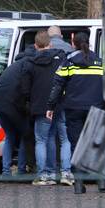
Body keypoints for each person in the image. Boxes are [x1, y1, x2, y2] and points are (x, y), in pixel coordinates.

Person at [47, 31, 104, 192]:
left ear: (73, 43)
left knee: (76, 145)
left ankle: (78, 184)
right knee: (96, 143)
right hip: (96, 108)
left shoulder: (69, 61)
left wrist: (50, 107)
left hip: (74, 109)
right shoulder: (100, 62)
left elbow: (57, 85)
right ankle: (101, 181)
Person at [21, 30, 72, 186]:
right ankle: (65, 173)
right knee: (63, 139)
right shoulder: (61, 58)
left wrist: (30, 102)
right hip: (59, 104)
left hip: (40, 106)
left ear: (35, 45)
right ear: (50, 44)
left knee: (42, 140)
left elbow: (24, 88)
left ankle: (44, 175)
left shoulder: (29, 62)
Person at [0, 44, 35, 178]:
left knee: (10, 136)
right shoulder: (29, 65)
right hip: (11, 105)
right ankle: (21, 171)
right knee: (25, 135)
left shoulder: (15, 65)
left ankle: (6, 172)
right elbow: (26, 90)